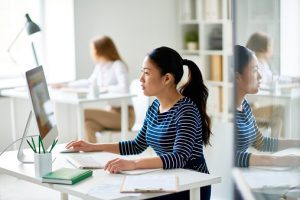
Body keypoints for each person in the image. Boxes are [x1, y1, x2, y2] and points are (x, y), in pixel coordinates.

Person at [66, 46, 212, 199]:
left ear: (167, 79)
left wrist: (134, 164)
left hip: (191, 186)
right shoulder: (155, 107)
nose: (141, 78)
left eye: (147, 73)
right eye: (142, 71)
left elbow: (178, 157)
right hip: (170, 180)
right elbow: (137, 145)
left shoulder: (186, 110)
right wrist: (93, 147)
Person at [53, 35, 135, 143]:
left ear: (101, 50)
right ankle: (89, 154)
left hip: (125, 116)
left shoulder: (118, 65)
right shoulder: (100, 67)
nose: (91, 52)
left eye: (92, 49)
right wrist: (67, 85)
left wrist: (104, 88)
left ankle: (73, 145)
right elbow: (89, 82)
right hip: (110, 112)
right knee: (87, 125)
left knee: (83, 112)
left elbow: (124, 88)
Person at [234, 45, 300, 168]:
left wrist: (296, 143)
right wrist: (276, 160)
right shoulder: (226, 115)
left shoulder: (245, 106)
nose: (260, 76)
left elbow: (261, 142)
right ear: (237, 77)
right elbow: (230, 157)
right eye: (254, 70)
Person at [246, 32, 284, 138]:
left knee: (278, 119)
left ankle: (274, 146)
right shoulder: (255, 64)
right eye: (270, 46)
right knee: (279, 110)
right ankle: (275, 146)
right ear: (263, 48)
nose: (272, 49)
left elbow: (272, 79)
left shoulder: (263, 64)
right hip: (252, 106)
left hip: (258, 104)